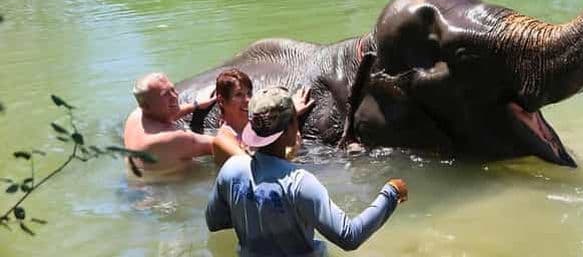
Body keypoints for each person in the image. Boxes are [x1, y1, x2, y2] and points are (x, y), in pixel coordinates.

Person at [206, 86, 408, 257]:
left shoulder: (231, 169)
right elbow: (349, 237)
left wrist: (257, 216)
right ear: (290, 128)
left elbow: (215, 222)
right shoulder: (300, 182)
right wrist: (390, 193)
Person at [211, 68, 317, 166]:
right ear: (221, 101)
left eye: (249, 93)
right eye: (239, 95)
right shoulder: (222, 141)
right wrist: (292, 152)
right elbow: (256, 170)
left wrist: (290, 111)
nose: (247, 100)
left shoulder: (255, 125)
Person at [123, 72, 216, 174]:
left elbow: (169, 113)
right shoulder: (172, 138)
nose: (175, 96)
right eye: (165, 95)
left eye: (173, 89)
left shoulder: (135, 116)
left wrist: (196, 105)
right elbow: (223, 144)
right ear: (145, 106)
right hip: (169, 186)